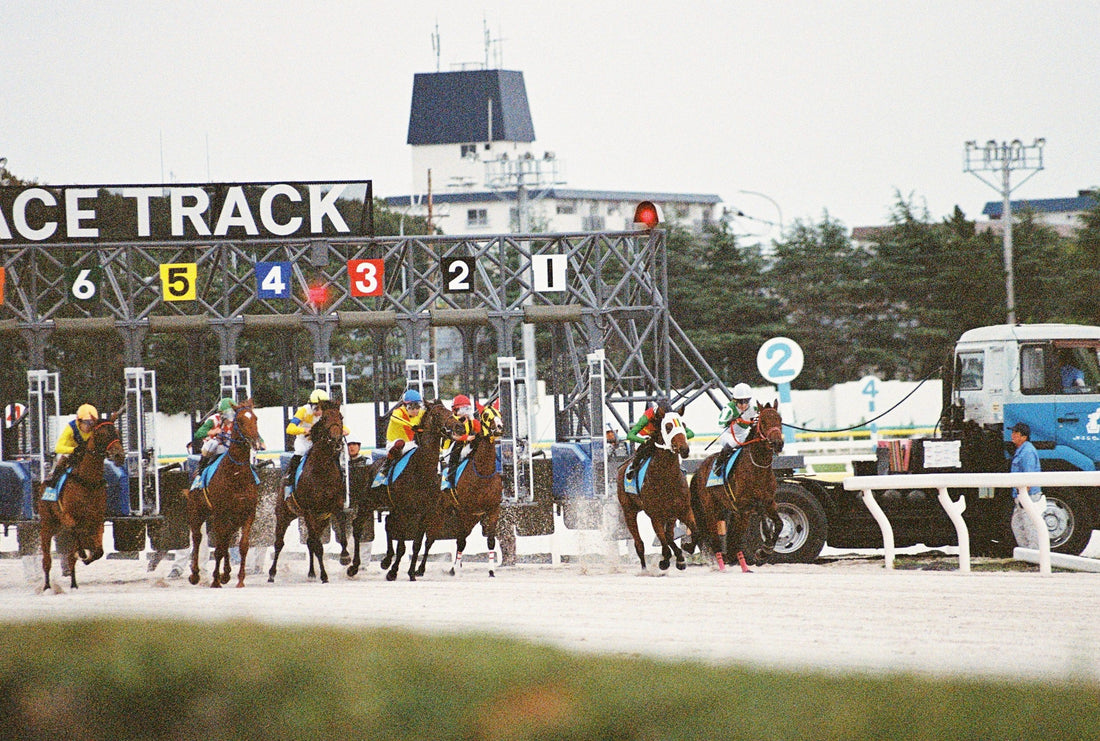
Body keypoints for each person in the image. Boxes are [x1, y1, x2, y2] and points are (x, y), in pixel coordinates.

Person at [284, 389, 338, 499]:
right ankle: (289, 481)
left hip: (319, 444)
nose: (319, 411)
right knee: (299, 453)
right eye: (317, 407)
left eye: (322, 407)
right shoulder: (303, 411)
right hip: (304, 442)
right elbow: (289, 429)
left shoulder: (327, 414)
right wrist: (305, 430)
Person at [625, 398, 692, 480]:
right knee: (648, 447)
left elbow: (691, 433)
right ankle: (633, 468)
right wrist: (644, 441)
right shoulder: (648, 415)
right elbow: (630, 435)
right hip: (645, 437)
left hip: (661, 438)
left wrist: (677, 440)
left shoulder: (670, 418)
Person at [45, 403, 98, 490]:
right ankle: (52, 483)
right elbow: (58, 448)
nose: (90, 426)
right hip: (73, 453)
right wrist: (74, 450)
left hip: (89, 453)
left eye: (92, 423)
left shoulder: (95, 429)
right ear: (79, 421)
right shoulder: (71, 428)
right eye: (87, 423)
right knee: (62, 459)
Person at [1009, 421, 1043, 548]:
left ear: (1024, 437)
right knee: (1018, 524)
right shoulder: (1022, 450)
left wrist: (1024, 496)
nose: (1012, 435)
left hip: (1028, 495)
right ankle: (1027, 553)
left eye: (1015, 433)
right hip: (1023, 496)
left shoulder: (1027, 451)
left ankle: (1034, 554)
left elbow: (1029, 476)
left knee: (1029, 525)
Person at [713, 382, 758, 475]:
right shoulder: (729, 408)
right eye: (740, 402)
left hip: (744, 434)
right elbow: (720, 423)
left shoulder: (754, 407)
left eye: (746, 401)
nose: (743, 405)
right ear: (734, 400)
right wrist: (730, 421)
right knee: (733, 442)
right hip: (729, 435)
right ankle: (718, 464)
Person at [381, 389, 426, 474]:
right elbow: (394, 418)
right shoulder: (398, 412)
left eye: (418, 406)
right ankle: (386, 465)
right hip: (393, 443)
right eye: (412, 407)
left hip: (411, 444)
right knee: (400, 443)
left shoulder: (421, 413)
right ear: (405, 406)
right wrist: (411, 425)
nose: (415, 410)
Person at [444, 394, 482, 488]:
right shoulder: (452, 421)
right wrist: (466, 438)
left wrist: (473, 419)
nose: (466, 412)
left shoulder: (468, 420)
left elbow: (478, 430)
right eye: (464, 409)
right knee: (458, 445)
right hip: (450, 450)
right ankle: (450, 476)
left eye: (468, 409)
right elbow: (454, 436)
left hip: (464, 447)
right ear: (456, 410)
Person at [193, 398, 235, 474]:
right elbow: (198, 434)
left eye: (233, 414)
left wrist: (260, 441)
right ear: (221, 414)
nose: (230, 418)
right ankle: (201, 467)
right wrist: (212, 432)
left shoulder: (236, 421)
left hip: (228, 447)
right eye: (228, 415)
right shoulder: (213, 420)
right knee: (213, 443)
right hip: (212, 449)